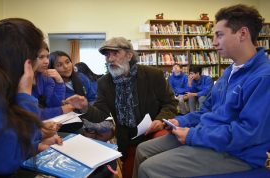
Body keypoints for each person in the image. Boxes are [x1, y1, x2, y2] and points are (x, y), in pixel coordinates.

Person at [132, 4, 270, 178]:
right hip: (208, 135)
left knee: (149, 168)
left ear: (243, 34)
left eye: (219, 35)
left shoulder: (264, 77)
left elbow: (248, 134)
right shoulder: (229, 71)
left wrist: (193, 136)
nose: (213, 42)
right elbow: (206, 111)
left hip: (238, 153)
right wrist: (179, 120)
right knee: (143, 149)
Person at [64, 37, 178, 178]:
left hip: (154, 132)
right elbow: (100, 113)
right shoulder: (104, 82)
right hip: (128, 139)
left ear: (129, 55)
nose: (110, 59)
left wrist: (160, 121)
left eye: (115, 53)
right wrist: (85, 107)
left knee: (156, 170)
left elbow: (170, 103)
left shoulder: (153, 75)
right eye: (107, 55)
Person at [0, 18, 62, 177]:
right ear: (27, 62)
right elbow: (4, 159)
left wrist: (36, 142)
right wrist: (25, 94)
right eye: (38, 57)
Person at [49, 51, 113, 141]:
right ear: (52, 69)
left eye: (67, 62)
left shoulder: (81, 77)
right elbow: (55, 106)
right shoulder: (52, 85)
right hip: (69, 121)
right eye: (59, 65)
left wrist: (90, 113)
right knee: (90, 133)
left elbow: (92, 97)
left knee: (107, 130)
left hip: (87, 112)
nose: (66, 67)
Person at [33, 45, 74, 120]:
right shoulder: (22, 79)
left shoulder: (47, 79)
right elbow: (30, 113)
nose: (46, 61)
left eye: (47, 57)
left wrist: (59, 82)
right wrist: (61, 110)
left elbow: (54, 105)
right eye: (41, 57)